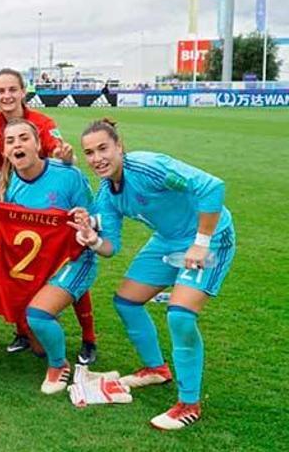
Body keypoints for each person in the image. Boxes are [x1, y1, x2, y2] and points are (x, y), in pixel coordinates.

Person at [72, 119, 236, 430]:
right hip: (167, 241)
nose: (97, 158)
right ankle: (156, 368)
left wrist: (201, 243)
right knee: (126, 301)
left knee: (180, 316)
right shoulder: (107, 193)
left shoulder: (149, 167)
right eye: (90, 152)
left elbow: (211, 186)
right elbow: (112, 247)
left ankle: (189, 403)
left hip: (211, 237)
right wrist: (92, 240)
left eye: (103, 148)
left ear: (120, 147)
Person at [0, 68, 94, 355]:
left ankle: (89, 338)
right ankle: (24, 330)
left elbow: (63, 155)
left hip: (48, 202)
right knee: (14, 264)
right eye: (0, 91)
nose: (7, 95)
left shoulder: (43, 123)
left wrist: (67, 160)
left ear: (24, 92)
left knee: (70, 258)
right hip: (12, 198)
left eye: (13, 89)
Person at [0, 118, 98, 392]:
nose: (17, 144)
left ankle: (69, 356)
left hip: (72, 257)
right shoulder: (0, 187)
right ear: (4, 150)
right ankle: (35, 337)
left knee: (43, 312)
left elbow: (94, 216)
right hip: (33, 263)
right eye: (10, 141)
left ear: (38, 144)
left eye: (24, 138)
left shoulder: (68, 175)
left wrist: (85, 220)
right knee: (37, 346)